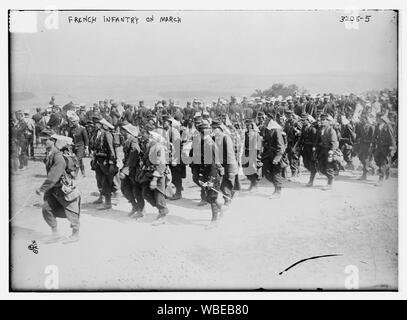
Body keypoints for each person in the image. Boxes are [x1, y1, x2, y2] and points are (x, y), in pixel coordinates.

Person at [35, 133, 81, 244]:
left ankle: (75, 234)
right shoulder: (51, 154)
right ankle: (55, 234)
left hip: (62, 188)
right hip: (53, 189)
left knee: (71, 211)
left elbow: (53, 176)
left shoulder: (58, 157)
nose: (45, 141)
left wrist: (42, 189)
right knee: (46, 209)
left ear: (54, 142)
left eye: (48, 140)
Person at [140, 130, 173, 225]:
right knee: (145, 193)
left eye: (151, 136)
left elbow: (161, 164)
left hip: (159, 175)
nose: (149, 138)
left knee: (159, 195)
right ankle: (162, 210)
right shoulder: (150, 146)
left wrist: (155, 179)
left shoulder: (159, 148)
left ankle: (163, 214)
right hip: (148, 173)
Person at [91, 116, 118, 209]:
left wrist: (111, 161)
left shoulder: (107, 134)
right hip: (97, 160)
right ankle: (101, 197)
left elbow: (111, 149)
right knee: (99, 179)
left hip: (105, 161)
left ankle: (110, 199)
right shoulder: (96, 133)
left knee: (107, 180)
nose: (95, 125)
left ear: (103, 125)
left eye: (97, 123)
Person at [119, 123, 145, 218]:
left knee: (136, 190)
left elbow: (134, 154)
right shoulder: (127, 140)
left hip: (133, 168)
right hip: (128, 167)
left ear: (128, 132)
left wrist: (126, 169)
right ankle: (135, 206)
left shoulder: (133, 141)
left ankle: (141, 210)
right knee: (125, 188)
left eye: (123, 131)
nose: (121, 132)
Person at [211, 120, 238, 207]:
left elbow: (230, 154)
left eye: (215, 128)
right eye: (213, 128)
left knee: (227, 182)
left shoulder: (225, 137)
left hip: (228, 164)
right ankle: (229, 197)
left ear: (220, 128)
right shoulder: (214, 138)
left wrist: (229, 168)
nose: (213, 130)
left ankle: (227, 199)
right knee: (222, 184)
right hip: (219, 164)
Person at [261, 118, 287, 198]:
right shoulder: (267, 130)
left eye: (265, 121)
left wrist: (277, 158)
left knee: (276, 173)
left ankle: (277, 191)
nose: (264, 122)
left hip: (276, 155)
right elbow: (266, 141)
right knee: (266, 172)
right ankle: (277, 185)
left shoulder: (276, 131)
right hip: (268, 155)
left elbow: (281, 146)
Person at [372, 113, 396, 186]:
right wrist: (373, 146)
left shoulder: (387, 126)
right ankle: (387, 171)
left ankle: (380, 180)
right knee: (377, 161)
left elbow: (391, 138)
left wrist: (392, 149)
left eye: (378, 118)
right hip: (379, 148)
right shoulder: (377, 126)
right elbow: (374, 137)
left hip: (386, 148)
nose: (377, 119)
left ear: (382, 119)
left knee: (383, 163)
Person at [316, 114, 339, 190]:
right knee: (320, 167)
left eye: (323, 120)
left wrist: (331, 152)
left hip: (329, 151)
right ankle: (331, 177)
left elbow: (334, 142)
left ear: (328, 121)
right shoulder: (321, 129)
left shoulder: (331, 130)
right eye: (321, 119)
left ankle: (330, 183)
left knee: (329, 167)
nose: (321, 121)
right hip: (322, 150)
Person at [67, 111, 89, 177]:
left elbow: (86, 139)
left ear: (78, 121)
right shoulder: (71, 129)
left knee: (77, 160)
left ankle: (75, 175)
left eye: (74, 121)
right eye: (72, 122)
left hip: (81, 147)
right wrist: (70, 145)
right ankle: (83, 173)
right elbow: (69, 138)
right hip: (74, 147)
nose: (73, 123)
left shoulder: (82, 129)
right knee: (80, 160)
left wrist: (86, 148)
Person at [299, 113, 318, 186]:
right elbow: (302, 137)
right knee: (305, 163)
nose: (302, 122)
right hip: (305, 147)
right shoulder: (304, 127)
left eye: (304, 120)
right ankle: (314, 171)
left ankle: (311, 181)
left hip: (311, 148)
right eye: (302, 120)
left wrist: (314, 150)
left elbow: (315, 141)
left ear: (308, 120)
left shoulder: (312, 129)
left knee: (312, 164)